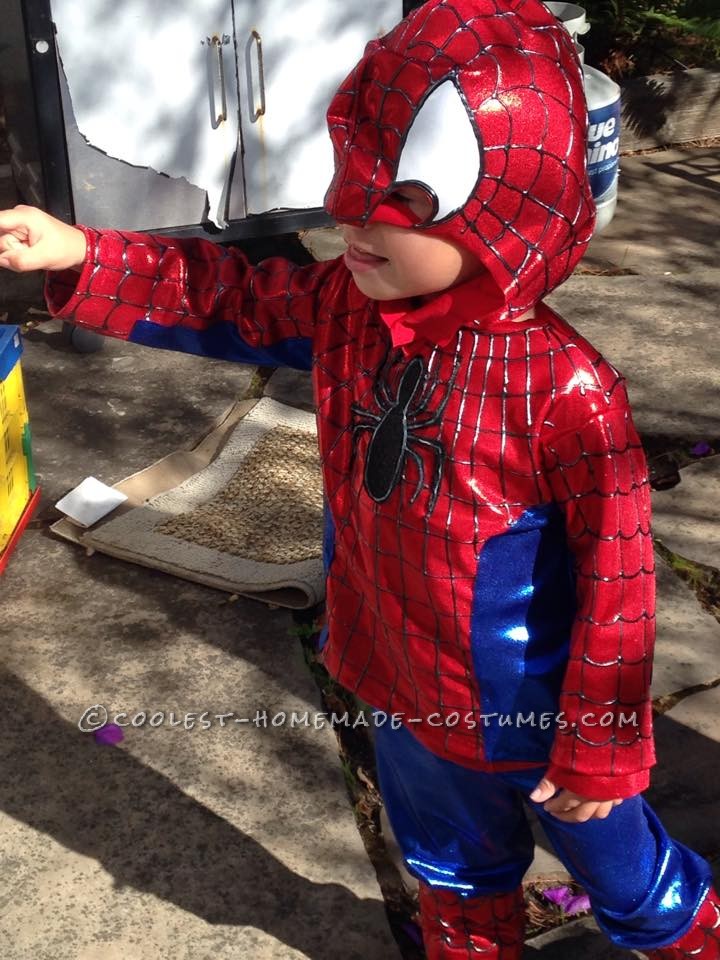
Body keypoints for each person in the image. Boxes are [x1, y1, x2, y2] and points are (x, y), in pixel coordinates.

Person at [0, 0, 717, 956]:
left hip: (532, 706)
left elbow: (620, 581)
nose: (356, 216)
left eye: (410, 197)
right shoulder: (348, 307)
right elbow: (230, 296)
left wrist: (603, 742)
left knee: (627, 875)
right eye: (356, 173)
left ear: (509, 200)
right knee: (452, 873)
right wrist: (89, 251)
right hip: (397, 678)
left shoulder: (565, 390)